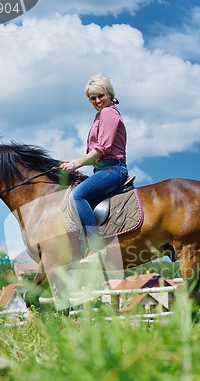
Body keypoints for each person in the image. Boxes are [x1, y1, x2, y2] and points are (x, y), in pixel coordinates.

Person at [61, 74, 128, 262]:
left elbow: (102, 149)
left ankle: (97, 248)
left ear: (109, 93)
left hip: (113, 169)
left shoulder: (108, 114)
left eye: (101, 95)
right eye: (93, 98)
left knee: (77, 196)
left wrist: (77, 163)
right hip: (102, 168)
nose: (97, 100)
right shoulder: (101, 115)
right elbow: (96, 154)